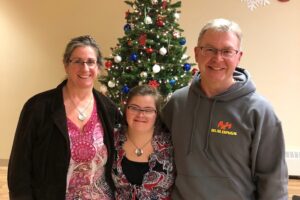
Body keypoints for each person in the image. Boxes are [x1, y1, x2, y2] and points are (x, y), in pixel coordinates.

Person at [162, 18, 288, 200]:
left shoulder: (260, 111)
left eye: (227, 51)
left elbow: (273, 180)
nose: (217, 58)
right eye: (210, 49)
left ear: (238, 57)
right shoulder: (177, 102)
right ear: (197, 53)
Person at [8, 35, 121, 199]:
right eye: (77, 61)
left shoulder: (108, 109)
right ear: (66, 65)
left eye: (90, 62)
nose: (85, 68)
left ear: (98, 67)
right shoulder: (38, 107)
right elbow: (20, 166)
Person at [112, 85, 175, 199]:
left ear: (157, 114)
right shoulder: (112, 139)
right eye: (134, 108)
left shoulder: (170, 143)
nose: (141, 114)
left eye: (148, 110)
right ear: (126, 109)